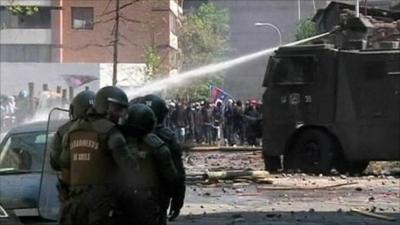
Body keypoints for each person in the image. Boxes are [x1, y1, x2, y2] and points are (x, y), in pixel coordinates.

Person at [59, 86, 139, 225]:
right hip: (103, 206)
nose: (121, 114)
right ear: (106, 106)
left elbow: (64, 168)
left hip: (75, 205)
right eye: (118, 109)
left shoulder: (72, 131)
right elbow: (130, 167)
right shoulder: (111, 132)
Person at [120, 103, 178, 225]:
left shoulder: (117, 143)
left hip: (122, 201)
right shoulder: (157, 146)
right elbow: (171, 177)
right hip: (151, 202)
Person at [137, 94, 186, 224]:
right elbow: (178, 174)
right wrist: (178, 200)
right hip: (160, 195)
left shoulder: (128, 135)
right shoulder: (168, 137)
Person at [49, 90, 95, 223]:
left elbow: (55, 162)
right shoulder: (107, 128)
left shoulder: (64, 130)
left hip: (72, 192)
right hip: (102, 195)